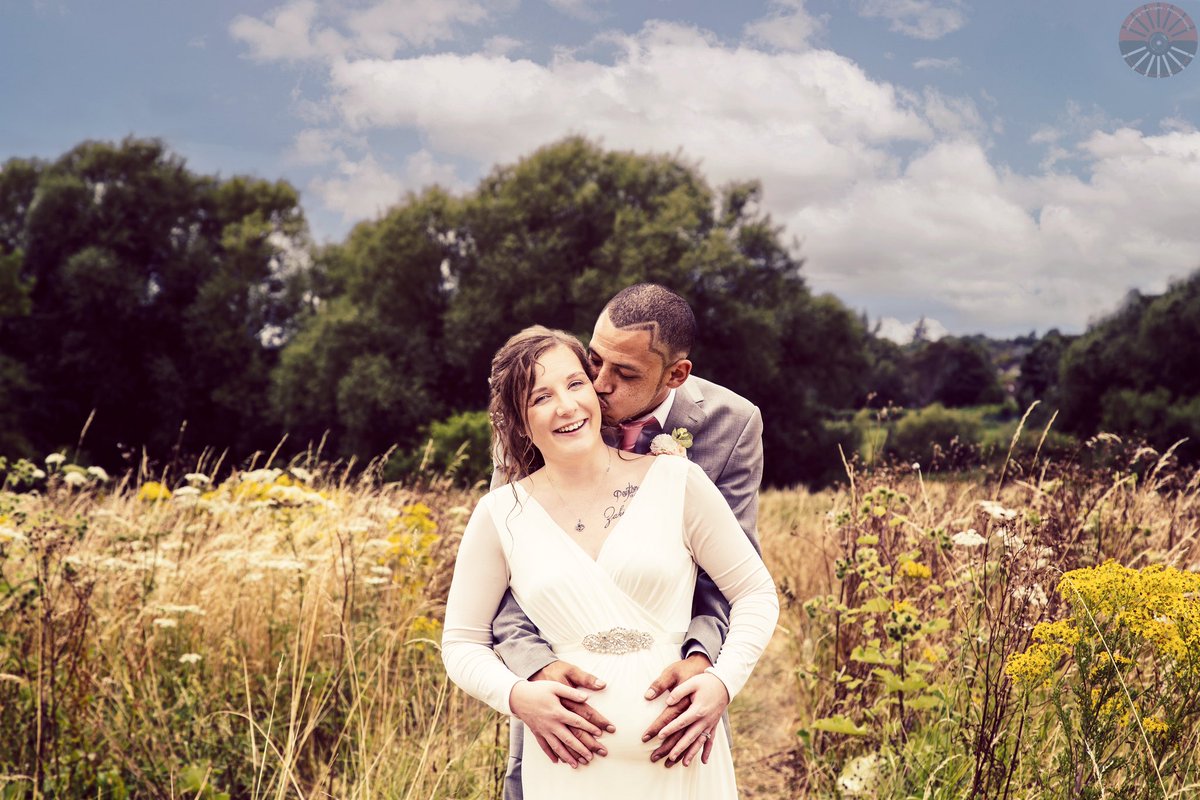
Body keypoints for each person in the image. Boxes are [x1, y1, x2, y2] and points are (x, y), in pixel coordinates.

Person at [442, 324, 778, 799]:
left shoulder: (678, 481)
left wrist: (723, 682)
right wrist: (518, 697)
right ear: (518, 420)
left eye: (575, 383)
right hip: (568, 770)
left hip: (679, 766)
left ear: (595, 389)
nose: (566, 406)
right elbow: (460, 643)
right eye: (540, 397)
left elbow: (755, 594)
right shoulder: (499, 513)